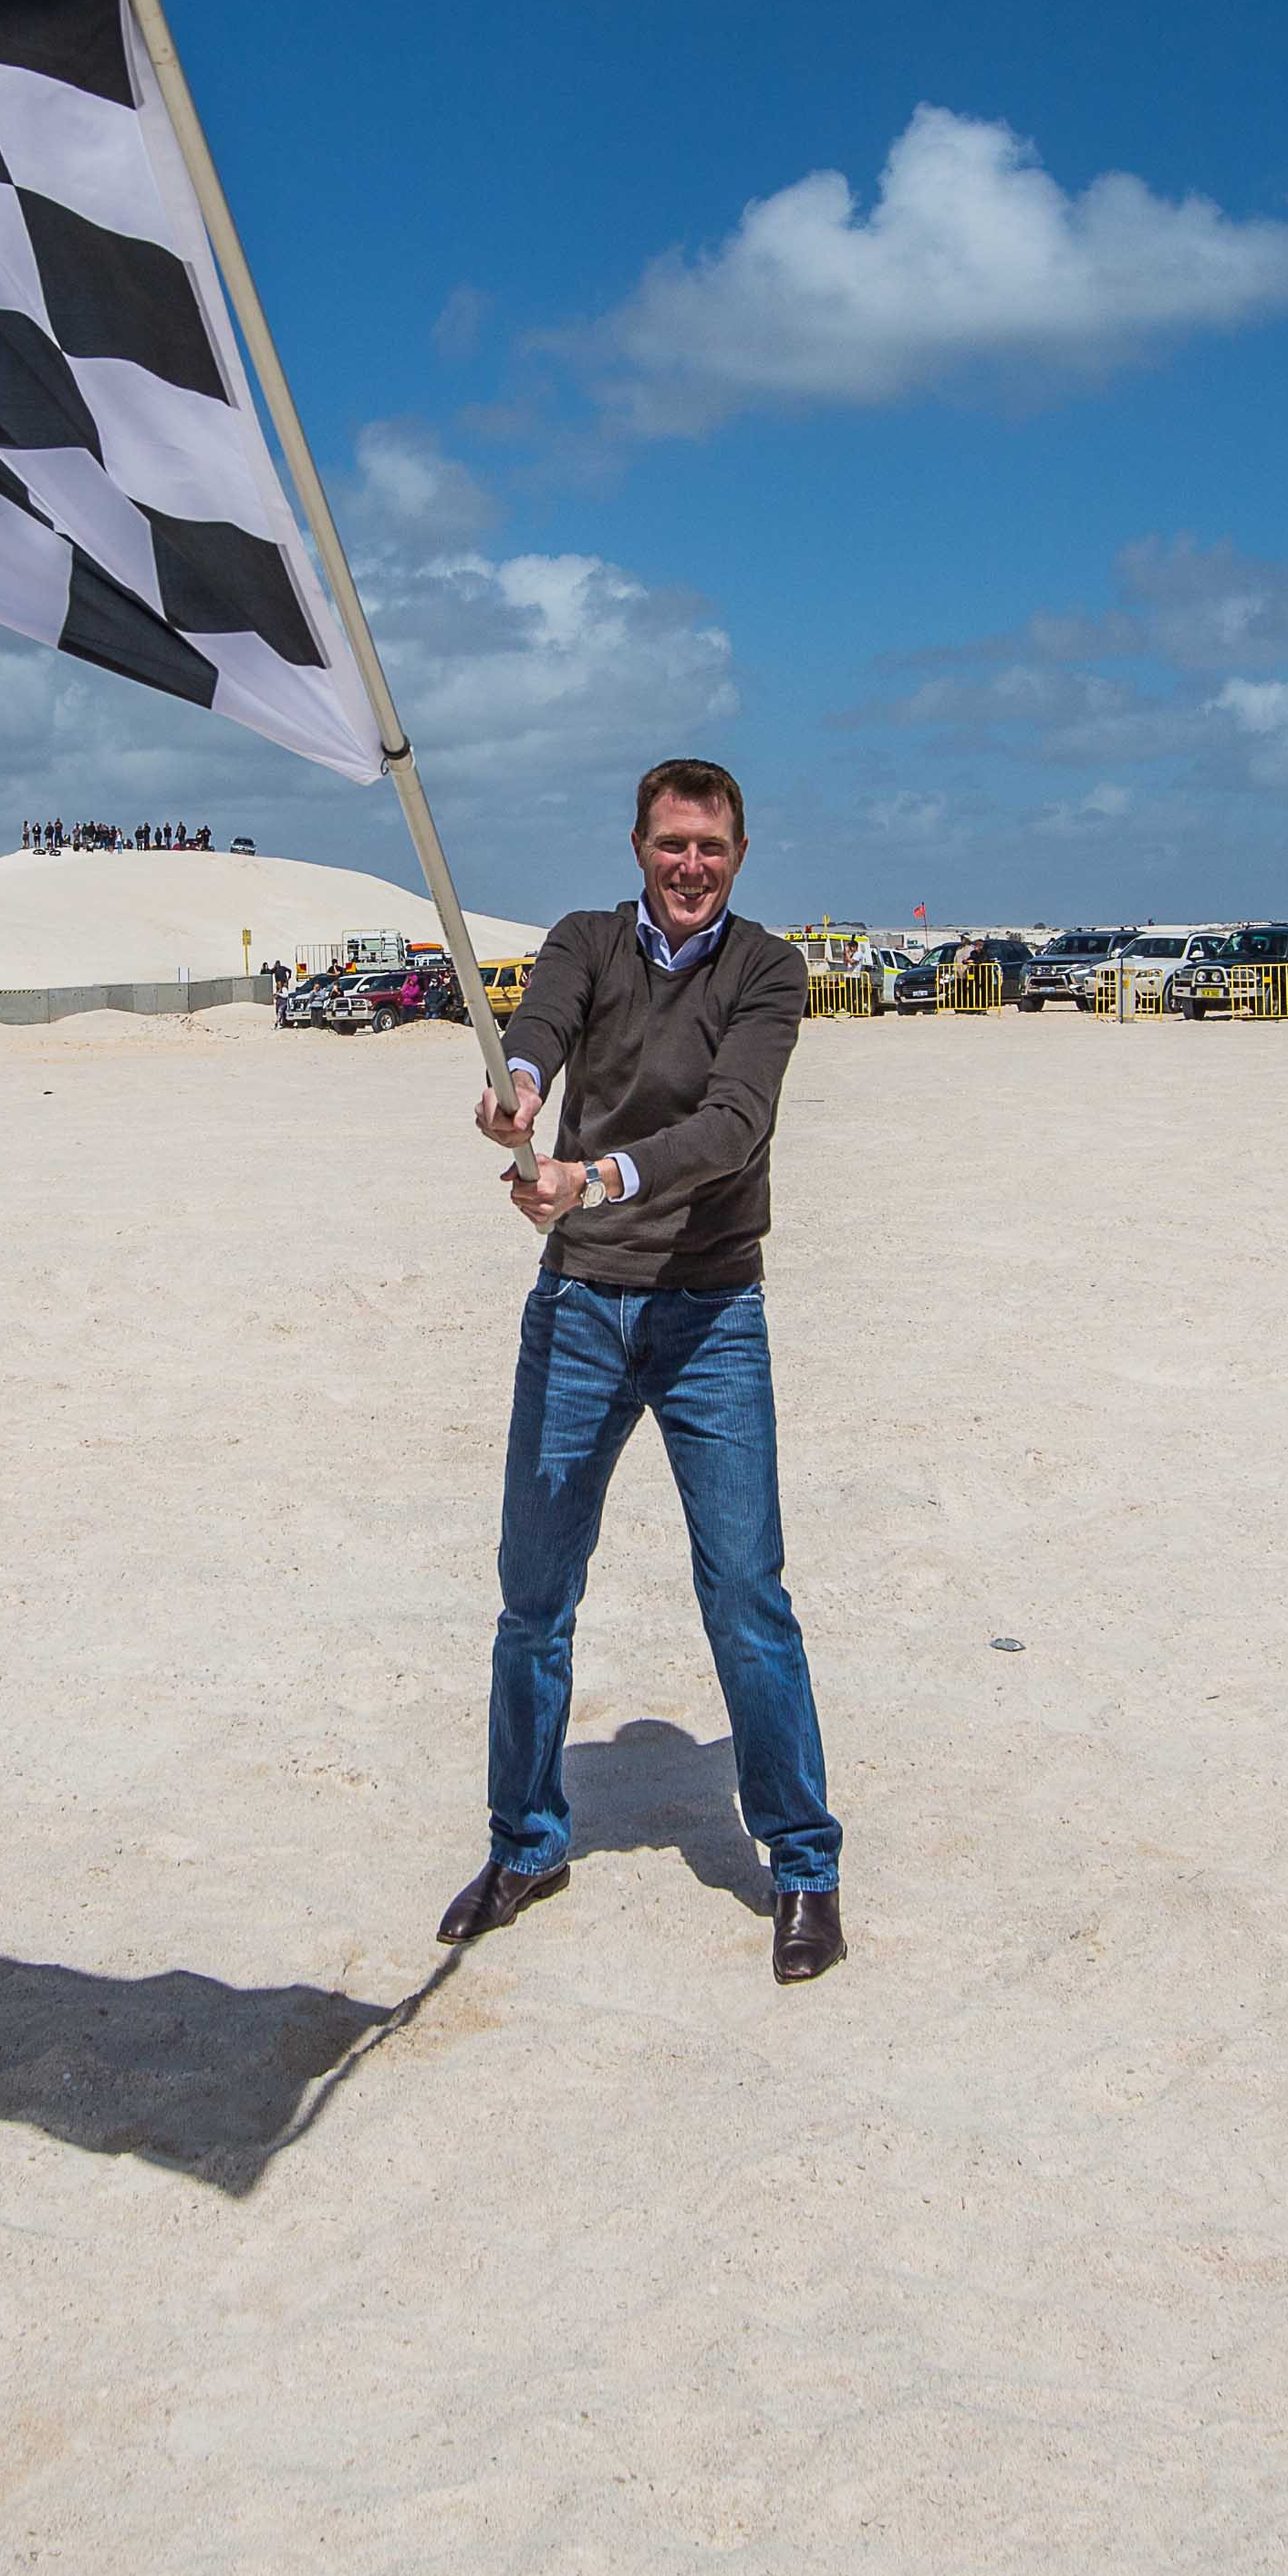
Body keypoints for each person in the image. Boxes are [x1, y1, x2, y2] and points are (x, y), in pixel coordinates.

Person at [452, 755, 843, 1985]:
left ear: (739, 855)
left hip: (711, 1311)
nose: (690, 866)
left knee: (746, 1595)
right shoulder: (582, 941)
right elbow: (541, 1030)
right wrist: (516, 1093)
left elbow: (735, 1125)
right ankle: (527, 1841)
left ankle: (804, 1865)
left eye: (711, 848)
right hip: (580, 1307)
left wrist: (593, 1178)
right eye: (671, 844)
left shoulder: (767, 970)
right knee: (535, 1593)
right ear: (637, 847)